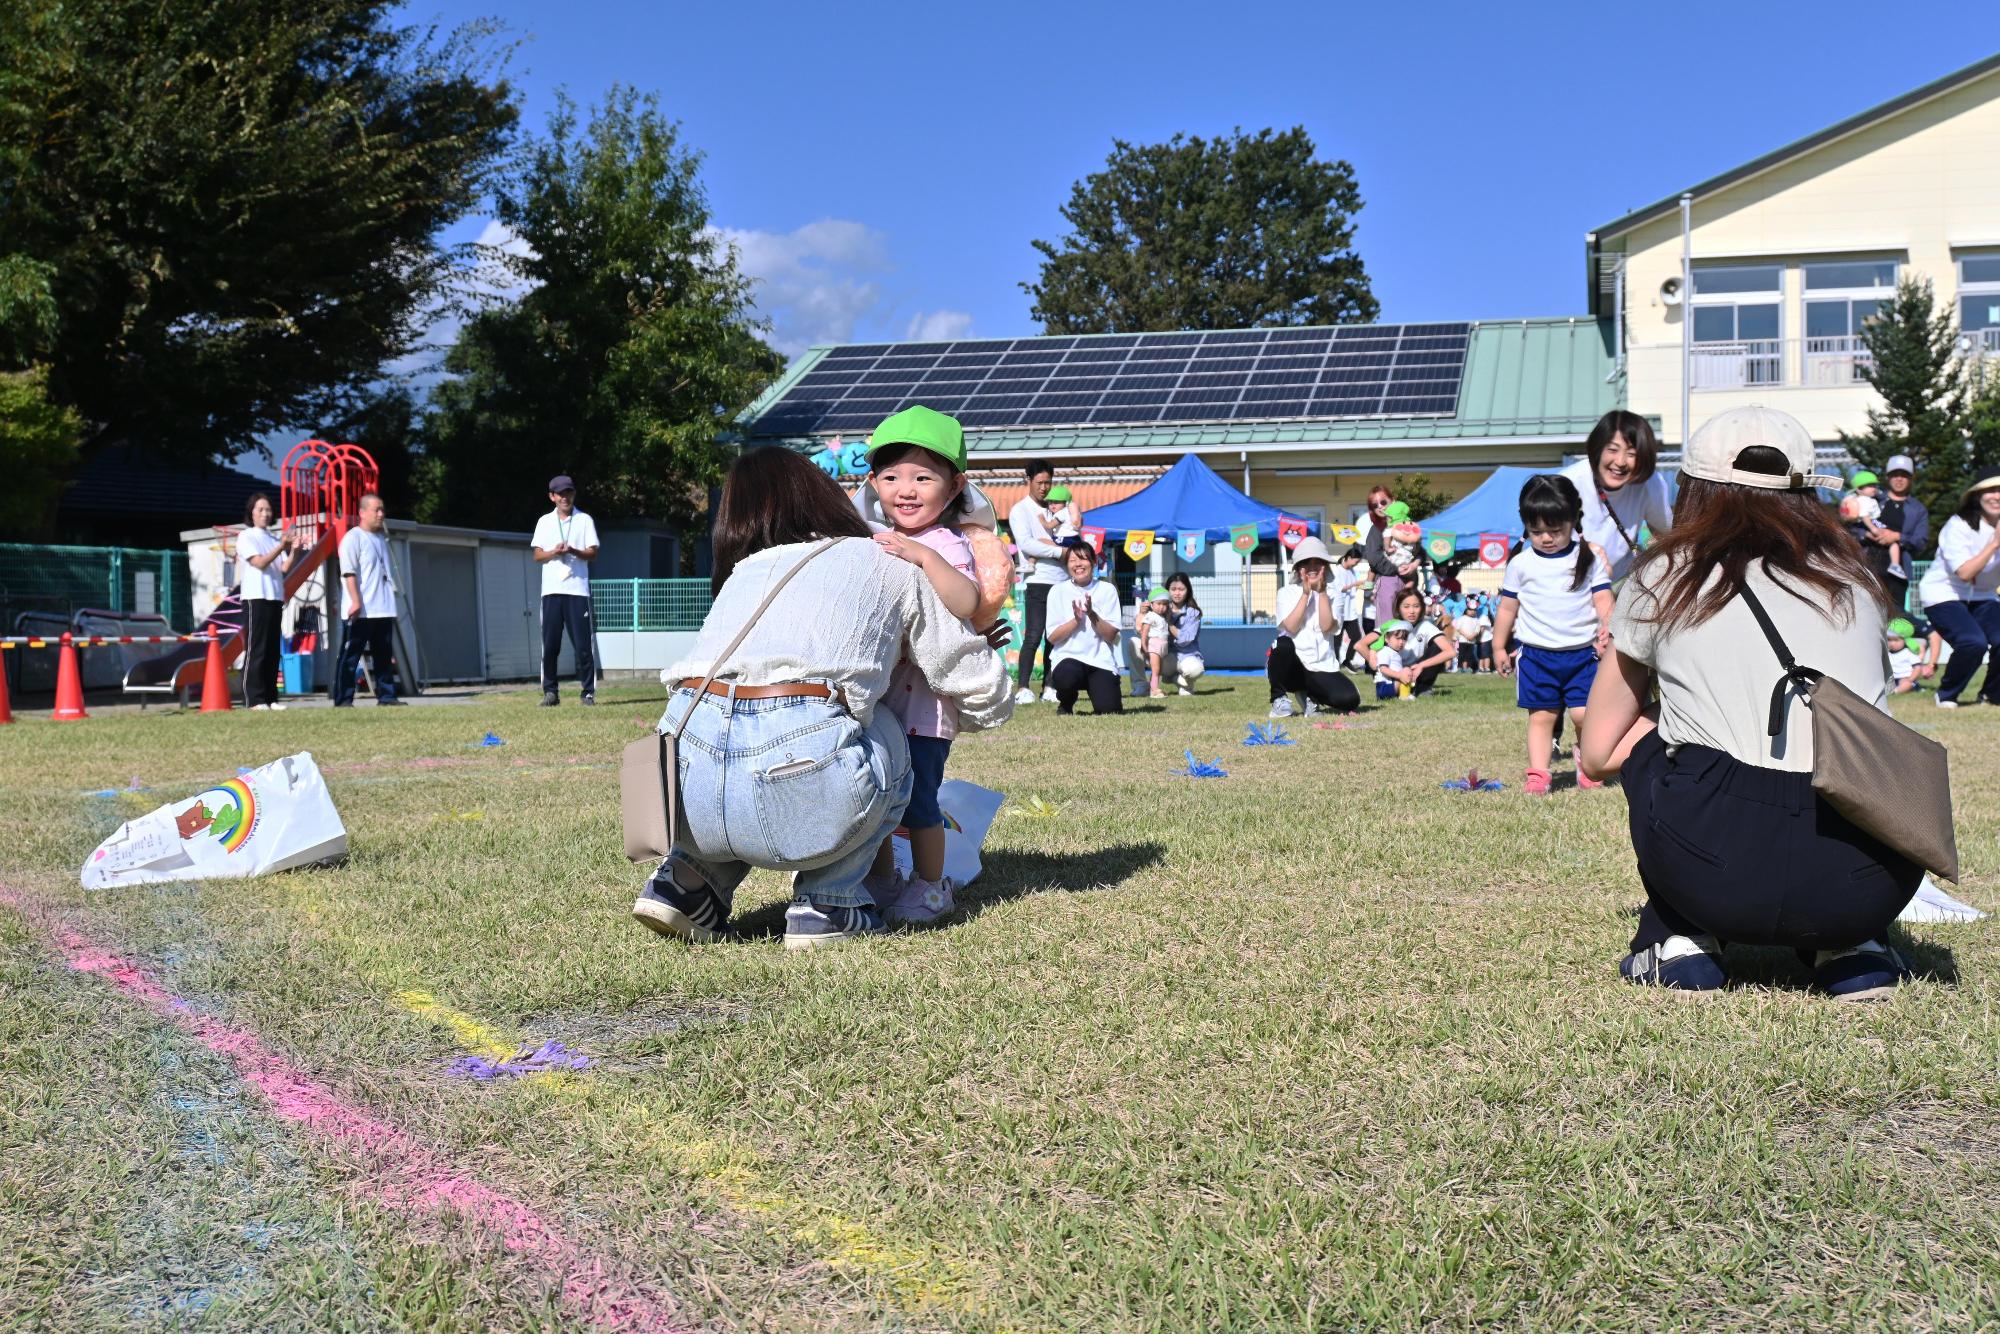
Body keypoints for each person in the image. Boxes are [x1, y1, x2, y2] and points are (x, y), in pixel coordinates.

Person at [1579, 405, 1919, 998]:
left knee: (1654, 750)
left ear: (1693, 490)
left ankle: (1680, 940)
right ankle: (1853, 947)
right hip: (1865, 881)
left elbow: (1598, 752)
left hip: (1714, 874)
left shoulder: (1666, 576)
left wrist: (1676, 723)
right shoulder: (1857, 580)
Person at [629, 447, 1010, 950]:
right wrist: (988, 705)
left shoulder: (744, 573)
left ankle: (685, 881)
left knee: (735, 754)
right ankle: (829, 902)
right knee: (887, 732)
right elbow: (970, 675)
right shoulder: (884, 557)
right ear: (825, 493)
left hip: (683, 786)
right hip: (802, 771)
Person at [860, 406, 982, 924]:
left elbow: (967, 602)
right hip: (875, 700)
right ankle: (883, 879)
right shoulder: (868, 542)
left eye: (922, 476)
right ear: (873, 483)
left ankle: (932, 887)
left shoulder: (945, 544)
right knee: (876, 801)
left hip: (924, 709)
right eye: (891, 476)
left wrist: (922, 557)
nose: (905, 489)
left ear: (953, 488)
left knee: (918, 802)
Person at [1490, 475, 1613, 795]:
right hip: (1537, 656)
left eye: (1555, 530)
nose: (1546, 538)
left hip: (1582, 655)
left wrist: (1609, 625)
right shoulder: (1520, 564)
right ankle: (1539, 774)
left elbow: (1602, 597)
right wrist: (1498, 646)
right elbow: (1506, 609)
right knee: (1542, 717)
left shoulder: (1587, 558)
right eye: (1536, 531)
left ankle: (1587, 763)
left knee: (1584, 714)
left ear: (1573, 520)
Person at [1563, 409, 1675, 583]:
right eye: (1613, 450)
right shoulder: (1568, 483)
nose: (1621, 462)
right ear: (1598, 448)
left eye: (1631, 454)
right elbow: (1544, 539)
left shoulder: (1651, 484)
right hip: (1568, 583)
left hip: (1618, 581)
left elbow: (1668, 533)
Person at [1917, 474, 2000, 708]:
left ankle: (1992, 696)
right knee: (1973, 642)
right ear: (1977, 496)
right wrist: (1995, 543)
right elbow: (1964, 572)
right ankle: (1946, 694)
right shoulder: (1959, 524)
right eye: (1990, 490)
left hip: (1983, 595)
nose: (1996, 496)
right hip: (1944, 593)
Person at [1267, 536, 1361, 717]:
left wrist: (1322, 592)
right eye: (1306, 563)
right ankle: (1279, 699)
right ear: (1297, 568)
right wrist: (1305, 594)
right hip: (1294, 664)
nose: (1312, 568)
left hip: (1322, 666)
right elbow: (1291, 627)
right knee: (1283, 644)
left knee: (1350, 700)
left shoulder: (1334, 594)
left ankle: (1311, 697)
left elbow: (1327, 627)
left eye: (1318, 563)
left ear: (1326, 566)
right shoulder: (1285, 592)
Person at [531, 475, 600, 707]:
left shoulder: (584, 520)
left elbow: (593, 553)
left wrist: (573, 551)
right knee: (550, 645)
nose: (565, 497)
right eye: (560, 493)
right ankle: (550, 692)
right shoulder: (544, 522)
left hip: (577, 591)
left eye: (569, 492)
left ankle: (587, 693)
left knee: (583, 646)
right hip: (551, 591)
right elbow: (537, 555)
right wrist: (555, 552)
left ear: (573, 494)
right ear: (552, 496)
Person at [332, 492, 404, 707]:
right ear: (362, 513)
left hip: (382, 608)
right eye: (376, 510)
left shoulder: (381, 539)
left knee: (383, 656)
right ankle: (344, 700)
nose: (381, 514)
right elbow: (348, 573)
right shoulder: (353, 538)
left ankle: (387, 696)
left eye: (382, 509)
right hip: (361, 610)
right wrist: (355, 601)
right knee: (351, 657)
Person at [235, 492, 304, 711]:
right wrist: (281, 546)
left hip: (274, 597)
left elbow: (283, 568)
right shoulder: (246, 536)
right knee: (257, 648)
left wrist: (294, 551)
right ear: (251, 513)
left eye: (268, 510)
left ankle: (271, 697)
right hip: (255, 597)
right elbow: (261, 562)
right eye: (260, 510)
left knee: (274, 649)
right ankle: (254, 699)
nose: (265, 514)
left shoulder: (274, 538)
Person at [1009, 459, 1065, 704]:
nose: (1044, 488)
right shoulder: (1020, 510)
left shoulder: (1058, 509)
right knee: (1033, 634)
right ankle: (1022, 688)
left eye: (1048, 483)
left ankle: (1050, 687)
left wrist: (1066, 550)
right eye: (1040, 483)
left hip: (1063, 580)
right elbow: (1026, 543)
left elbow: (1071, 536)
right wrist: (1060, 552)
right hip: (1038, 580)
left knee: (1056, 636)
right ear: (1028, 481)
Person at [1045, 541, 1123, 714]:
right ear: (1066, 565)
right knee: (1067, 678)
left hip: (1100, 661)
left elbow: (1111, 636)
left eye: (1083, 559)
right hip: (1068, 658)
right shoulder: (1057, 591)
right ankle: (1066, 702)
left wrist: (1091, 614)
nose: (1078, 564)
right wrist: (1076, 620)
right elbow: (1052, 637)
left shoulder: (1107, 589)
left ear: (1094, 562)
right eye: (1072, 560)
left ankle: (1100, 687)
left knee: (1110, 711)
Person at [1874, 454, 1929, 613]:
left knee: (1895, 615)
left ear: (1911, 478)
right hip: (1868, 566)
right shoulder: (1874, 501)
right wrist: (1869, 535)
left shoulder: (1918, 509)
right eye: (1895, 475)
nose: (1899, 479)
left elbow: (1920, 542)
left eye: (1904, 475)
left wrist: (1897, 537)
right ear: (1888, 477)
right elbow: (1854, 528)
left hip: (1899, 571)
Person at [1359, 485, 1415, 624]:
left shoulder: (1406, 524)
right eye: (1374, 505)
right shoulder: (1377, 529)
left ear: (1393, 500)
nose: (1380, 506)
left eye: (1383, 502)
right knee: (1388, 627)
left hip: (1408, 582)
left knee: (1406, 627)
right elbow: (1373, 558)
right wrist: (1397, 569)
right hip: (1387, 580)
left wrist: (1415, 564)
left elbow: (1419, 549)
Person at [1839, 470, 1901, 590]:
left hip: (1866, 527)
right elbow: (1866, 517)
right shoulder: (1865, 501)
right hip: (1871, 524)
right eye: (1870, 486)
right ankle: (1895, 564)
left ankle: (1893, 564)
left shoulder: (1854, 499)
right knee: (1892, 540)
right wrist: (1873, 529)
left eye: (1875, 485)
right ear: (1860, 489)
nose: (1874, 488)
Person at [1126, 586, 1173, 698]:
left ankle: (1154, 687)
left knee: (1158, 670)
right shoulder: (1150, 616)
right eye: (1159, 603)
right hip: (1154, 645)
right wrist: (1143, 645)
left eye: (1165, 604)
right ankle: (1154, 690)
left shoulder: (1163, 617)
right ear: (1151, 604)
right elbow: (1144, 631)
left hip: (1161, 646)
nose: (1162, 607)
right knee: (1156, 669)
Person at [1164, 572, 1206, 695]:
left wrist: (1169, 624)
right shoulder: (1160, 607)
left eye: (1181, 589)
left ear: (1188, 590)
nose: (1177, 593)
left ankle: (1178, 680)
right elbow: (1141, 630)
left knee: (1197, 670)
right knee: (1134, 643)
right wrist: (1141, 614)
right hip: (1166, 656)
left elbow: (1184, 640)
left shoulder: (1194, 613)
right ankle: (1141, 686)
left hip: (1187, 656)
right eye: (1173, 589)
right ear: (1167, 590)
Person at [1330, 545, 1366, 669]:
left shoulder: (1351, 571)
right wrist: (1355, 584)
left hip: (1351, 612)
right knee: (1337, 640)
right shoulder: (1336, 570)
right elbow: (1341, 588)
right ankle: (1336, 663)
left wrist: (1362, 585)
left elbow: (1353, 586)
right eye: (1355, 561)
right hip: (1339, 611)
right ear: (1349, 558)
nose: (1356, 564)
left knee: (1357, 637)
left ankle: (1348, 660)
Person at [1367, 620, 1419, 700]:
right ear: (1387, 638)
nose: (1401, 642)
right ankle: (1404, 695)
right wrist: (1399, 675)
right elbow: (1383, 669)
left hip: (1392, 684)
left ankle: (1405, 693)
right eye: (1398, 638)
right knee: (1405, 673)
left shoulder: (1395, 653)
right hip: (1385, 686)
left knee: (1408, 674)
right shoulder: (1385, 651)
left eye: (1404, 639)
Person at [1885, 617, 1934, 694]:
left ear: (1905, 640)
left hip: (1905, 678)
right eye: (1889, 640)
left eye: (1896, 640)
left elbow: (1917, 668)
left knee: (1906, 684)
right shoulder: (1887, 653)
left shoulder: (1908, 653)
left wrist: (1910, 679)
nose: (1892, 643)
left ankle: (1895, 692)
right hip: (1892, 679)